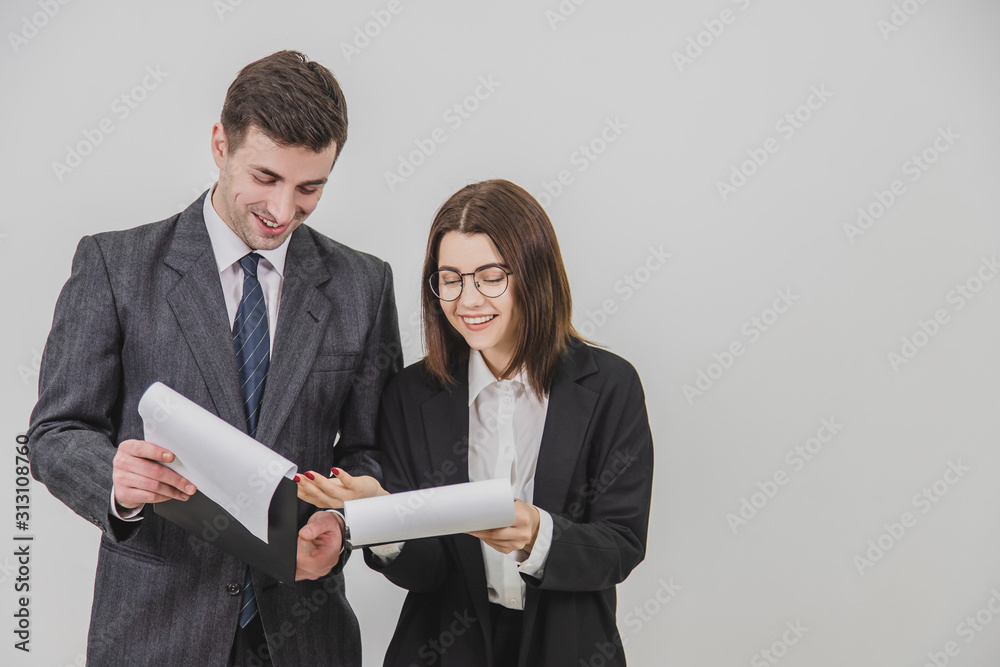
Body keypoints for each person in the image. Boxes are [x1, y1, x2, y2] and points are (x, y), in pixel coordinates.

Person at [27, 50, 401, 666]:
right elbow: (54, 433)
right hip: (155, 631)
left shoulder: (363, 285)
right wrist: (117, 482)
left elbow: (371, 450)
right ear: (220, 145)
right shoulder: (115, 267)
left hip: (305, 634)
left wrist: (344, 526)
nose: (284, 211)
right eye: (265, 178)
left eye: (310, 187)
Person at [296, 179, 653, 667]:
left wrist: (537, 534)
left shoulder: (610, 386)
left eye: (490, 276)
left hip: (570, 647)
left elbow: (621, 545)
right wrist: (386, 519)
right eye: (451, 278)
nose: (467, 301)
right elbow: (428, 573)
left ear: (534, 273)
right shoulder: (410, 394)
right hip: (442, 648)